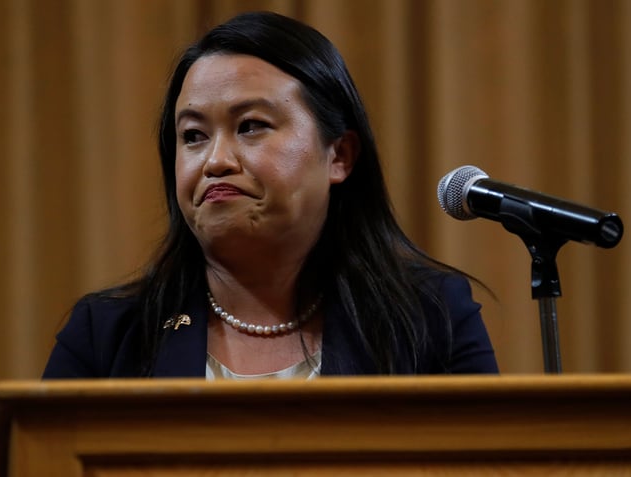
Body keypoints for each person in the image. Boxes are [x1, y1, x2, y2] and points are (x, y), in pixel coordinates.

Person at [42, 11, 498, 379]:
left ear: (339, 155)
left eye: (251, 126)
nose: (216, 160)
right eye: (194, 135)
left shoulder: (430, 319)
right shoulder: (106, 335)